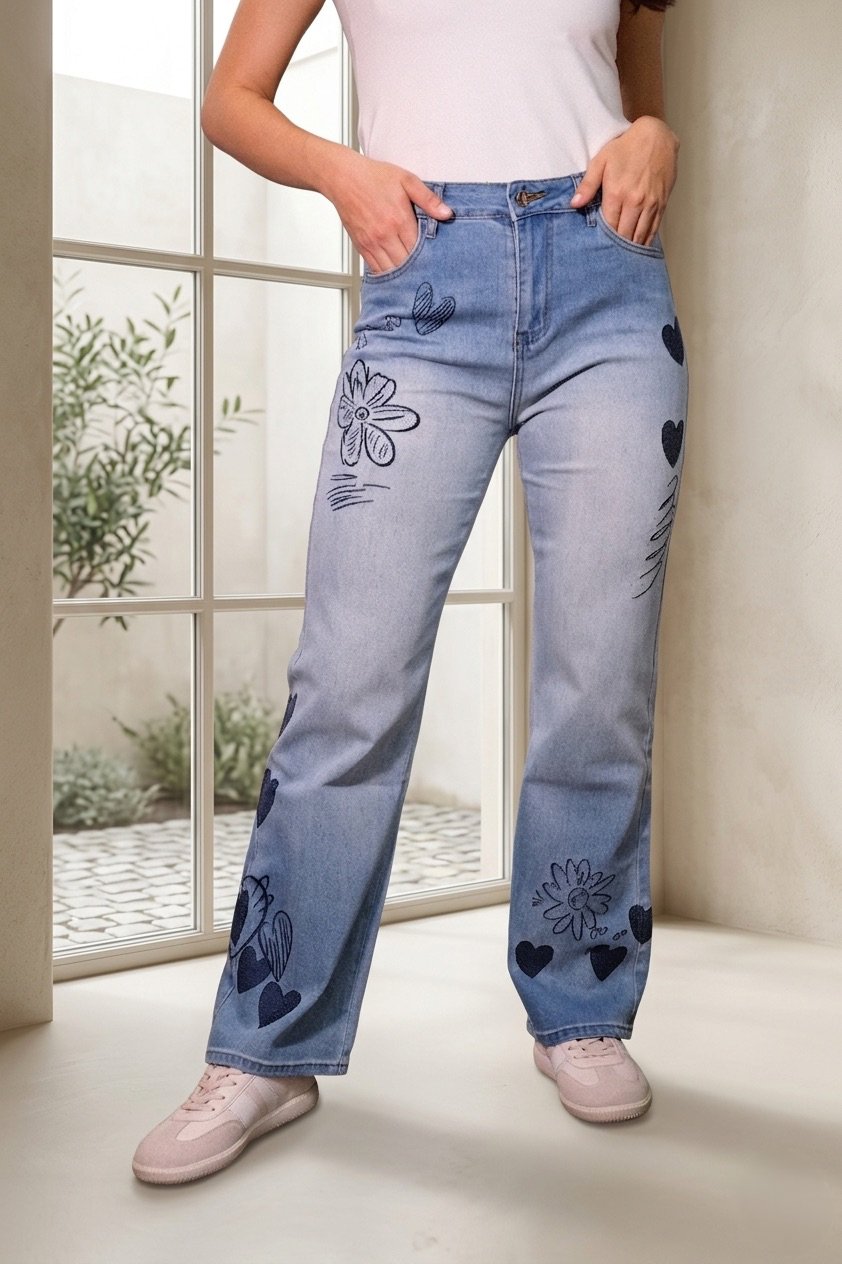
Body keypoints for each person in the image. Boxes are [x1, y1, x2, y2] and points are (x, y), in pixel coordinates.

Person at [133, 0, 686, 1184]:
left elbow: (633, 95)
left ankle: (579, 1005)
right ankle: (265, 1048)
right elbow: (231, 99)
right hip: (425, 286)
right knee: (349, 683)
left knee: (600, 681)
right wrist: (348, 177)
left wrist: (654, 135)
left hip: (608, 285)